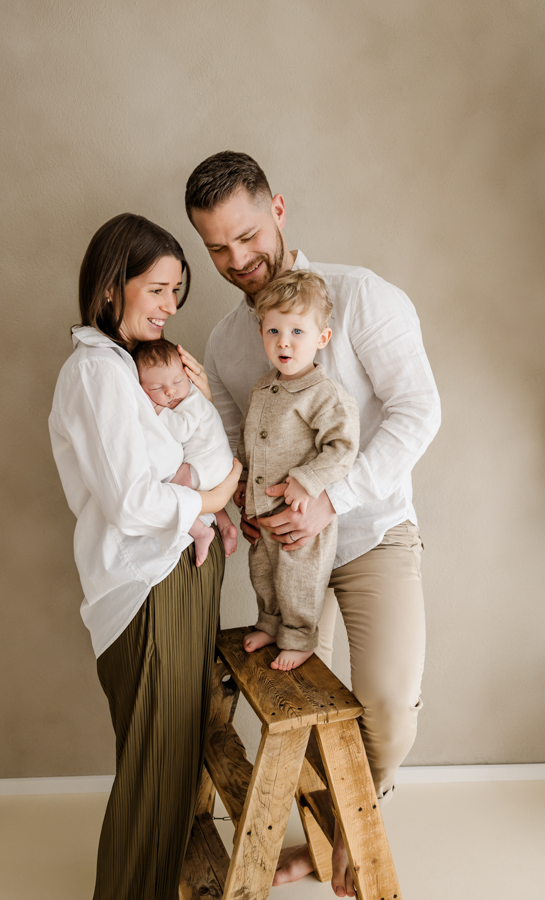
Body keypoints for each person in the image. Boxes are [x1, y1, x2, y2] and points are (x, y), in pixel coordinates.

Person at [183, 151, 441, 898]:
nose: (238, 259)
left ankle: (348, 831)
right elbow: (231, 449)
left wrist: (333, 496)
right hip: (286, 556)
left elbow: (419, 411)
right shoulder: (227, 343)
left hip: (370, 536)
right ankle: (331, 842)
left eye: (248, 236)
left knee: (388, 709)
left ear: (280, 211)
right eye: (217, 248)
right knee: (294, 713)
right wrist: (236, 510)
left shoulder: (363, 298)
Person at [49, 213, 241, 900]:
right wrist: (217, 494)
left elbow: (184, 455)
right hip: (146, 585)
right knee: (154, 770)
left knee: (173, 767)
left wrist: (202, 408)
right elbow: (134, 502)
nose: (170, 307)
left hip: (177, 576)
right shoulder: (96, 374)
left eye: (177, 292)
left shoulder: (137, 372)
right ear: (111, 287)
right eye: (157, 289)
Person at [235, 270, 359, 670]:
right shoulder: (260, 388)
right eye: (273, 330)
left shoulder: (325, 395)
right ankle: (269, 623)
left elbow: (342, 448)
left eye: (296, 331)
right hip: (262, 513)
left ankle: (301, 637)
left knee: (298, 580)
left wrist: (308, 482)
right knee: (264, 574)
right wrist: (241, 482)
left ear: (321, 338)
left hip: (302, 515)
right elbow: (248, 438)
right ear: (261, 334)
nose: (283, 341)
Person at [134, 337, 238, 566]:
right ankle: (226, 525)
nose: (171, 392)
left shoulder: (192, 400)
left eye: (178, 381)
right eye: (157, 388)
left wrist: (159, 410)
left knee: (174, 494)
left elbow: (181, 432)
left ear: (188, 375)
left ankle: (201, 531)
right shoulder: (183, 395)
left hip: (208, 462)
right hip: (214, 466)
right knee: (204, 495)